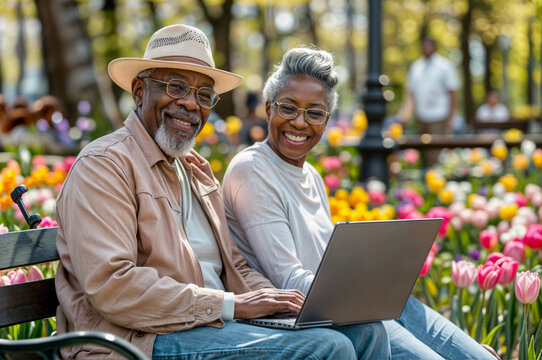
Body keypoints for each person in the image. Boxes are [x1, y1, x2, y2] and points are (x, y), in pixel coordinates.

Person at [54, 24, 390, 359]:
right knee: (325, 349)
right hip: (136, 341)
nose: (190, 104)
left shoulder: (194, 168)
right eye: (176, 86)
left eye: (203, 95)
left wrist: (282, 302)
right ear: (139, 91)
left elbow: (236, 267)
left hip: (208, 327)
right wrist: (231, 305)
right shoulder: (105, 164)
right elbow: (113, 287)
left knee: (364, 331)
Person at [222, 46, 500, 360]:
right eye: (288, 108)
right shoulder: (252, 170)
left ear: (326, 121)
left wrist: (375, 277)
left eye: (314, 113)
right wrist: (364, 290)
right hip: (310, 320)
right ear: (268, 108)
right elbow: (287, 279)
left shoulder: (310, 174)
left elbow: (325, 262)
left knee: (481, 357)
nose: (300, 122)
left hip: (346, 304)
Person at [400, 36, 459, 165]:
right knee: (424, 152)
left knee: (437, 151)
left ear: (434, 47)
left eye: (428, 45)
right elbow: (411, 94)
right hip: (422, 115)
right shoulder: (416, 67)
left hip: (439, 115)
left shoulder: (444, 66)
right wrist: (405, 115)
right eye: (423, 45)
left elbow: (452, 92)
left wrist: (451, 117)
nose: (426, 48)